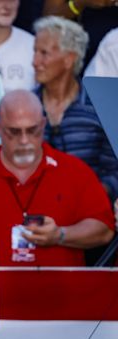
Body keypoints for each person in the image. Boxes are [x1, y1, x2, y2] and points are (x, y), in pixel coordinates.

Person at [0, 89, 114, 266]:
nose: (24, 140)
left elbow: (104, 230)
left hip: (63, 293)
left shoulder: (75, 171)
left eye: (32, 130)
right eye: (14, 132)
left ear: (43, 124)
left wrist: (60, 235)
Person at [33, 16, 118, 203]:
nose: (35, 61)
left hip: (91, 215)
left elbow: (114, 170)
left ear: (68, 59)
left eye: (44, 53)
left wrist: (87, 201)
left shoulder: (98, 106)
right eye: (35, 52)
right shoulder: (27, 108)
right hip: (35, 213)